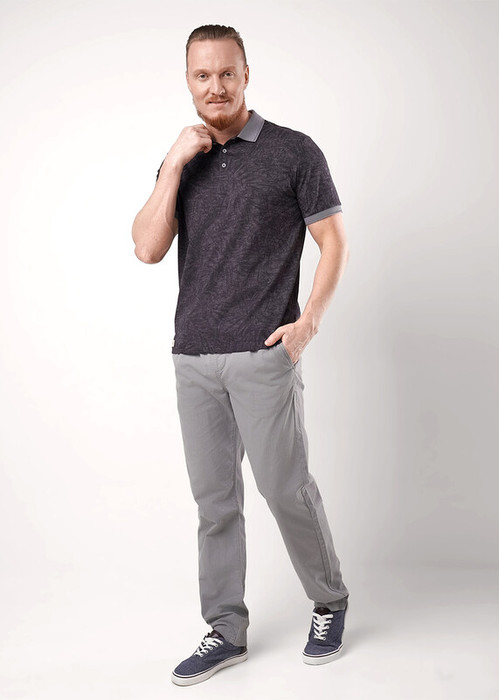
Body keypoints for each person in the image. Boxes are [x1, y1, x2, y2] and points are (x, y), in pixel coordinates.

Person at [132, 24, 350, 687]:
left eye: (226, 73)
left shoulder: (292, 152)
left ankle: (330, 601)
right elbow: (146, 248)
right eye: (202, 76)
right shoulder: (182, 160)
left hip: (263, 353)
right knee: (215, 504)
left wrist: (307, 325)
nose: (216, 87)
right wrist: (173, 163)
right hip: (193, 357)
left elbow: (333, 241)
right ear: (188, 82)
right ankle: (225, 630)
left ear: (246, 74)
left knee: (285, 489)